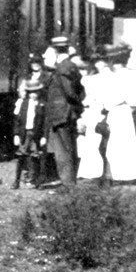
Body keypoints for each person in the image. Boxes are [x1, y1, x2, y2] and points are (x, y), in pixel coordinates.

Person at [100, 42, 136, 183]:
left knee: (119, 143)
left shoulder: (123, 75)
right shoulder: (118, 75)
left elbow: (121, 96)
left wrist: (107, 105)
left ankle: (123, 175)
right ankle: (122, 175)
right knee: (120, 143)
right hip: (119, 111)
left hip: (119, 110)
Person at [42, 35, 85, 186]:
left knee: (63, 151)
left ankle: (68, 185)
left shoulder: (62, 68)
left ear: (55, 51)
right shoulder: (69, 66)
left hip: (61, 114)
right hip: (66, 113)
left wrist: (75, 104)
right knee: (67, 148)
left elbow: (70, 92)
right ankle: (69, 182)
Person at [11, 55, 47, 189]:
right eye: (31, 92)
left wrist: (43, 136)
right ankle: (17, 180)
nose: (33, 94)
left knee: (35, 156)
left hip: (35, 133)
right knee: (21, 155)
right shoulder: (23, 104)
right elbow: (17, 120)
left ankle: (34, 179)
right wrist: (15, 134)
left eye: (36, 92)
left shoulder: (41, 105)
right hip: (24, 132)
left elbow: (43, 122)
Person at [77, 54, 110, 183]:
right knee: (84, 141)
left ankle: (95, 172)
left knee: (94, 141)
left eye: (85, 69)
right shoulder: (85, 80)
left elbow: (94, 96)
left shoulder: (94, 80)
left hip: (95, 111)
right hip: (86, 111)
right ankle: (85, 170)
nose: (83, 72)